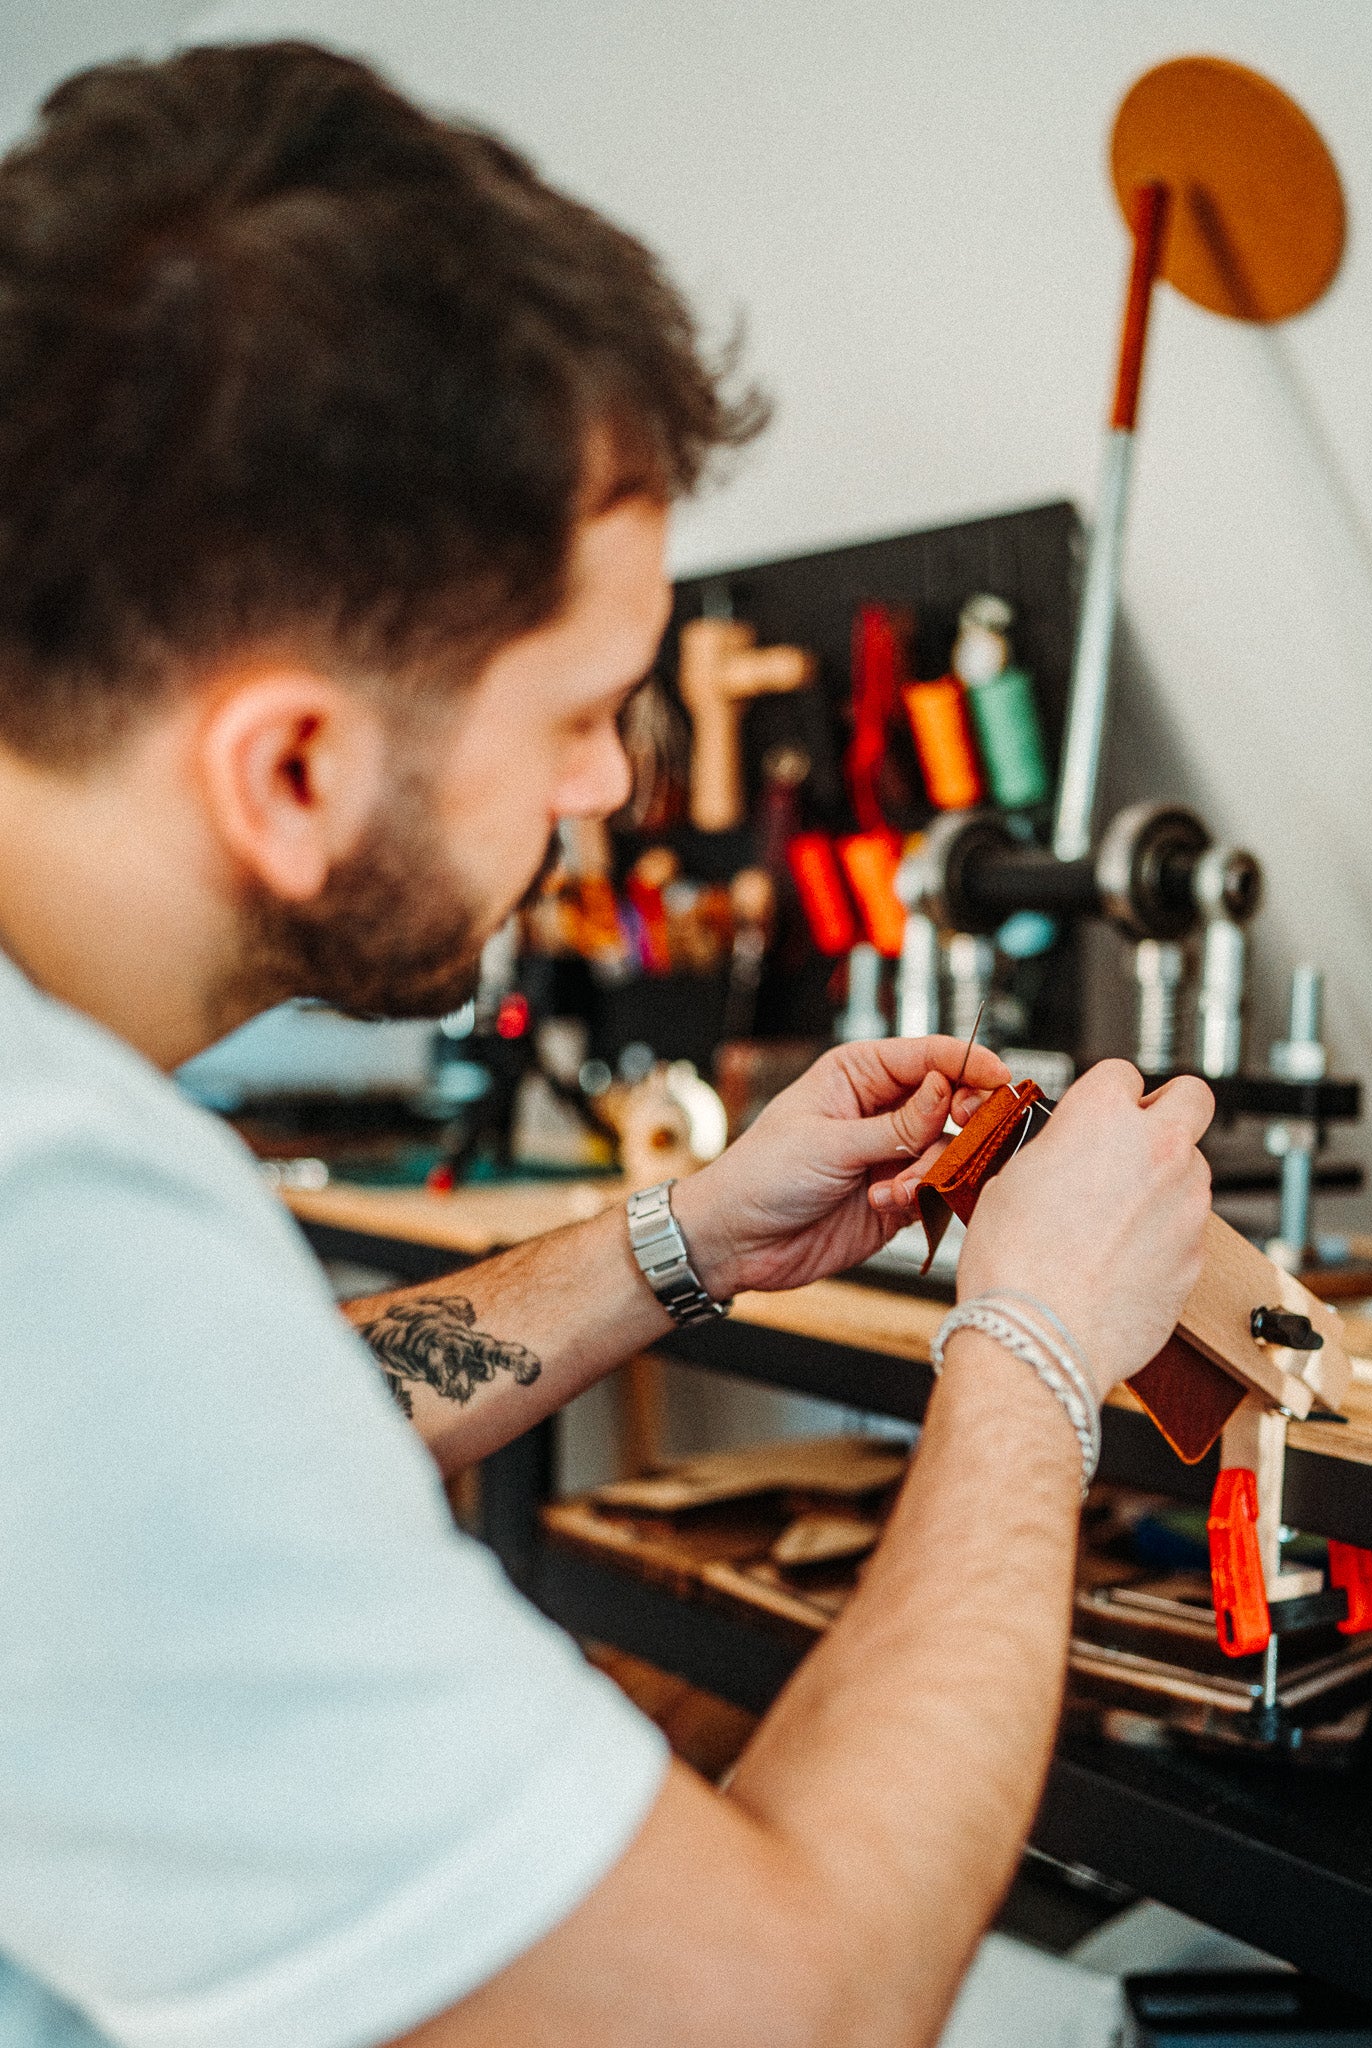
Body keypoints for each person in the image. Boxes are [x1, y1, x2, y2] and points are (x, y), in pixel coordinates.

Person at [0, 42, 1213, 2048]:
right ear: (291, 769)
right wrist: (1038, 1345)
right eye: (576, 712)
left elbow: (244, 1437)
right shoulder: (55, 1233)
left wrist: (688, 1237)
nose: (614, 786)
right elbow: (786, 2016)